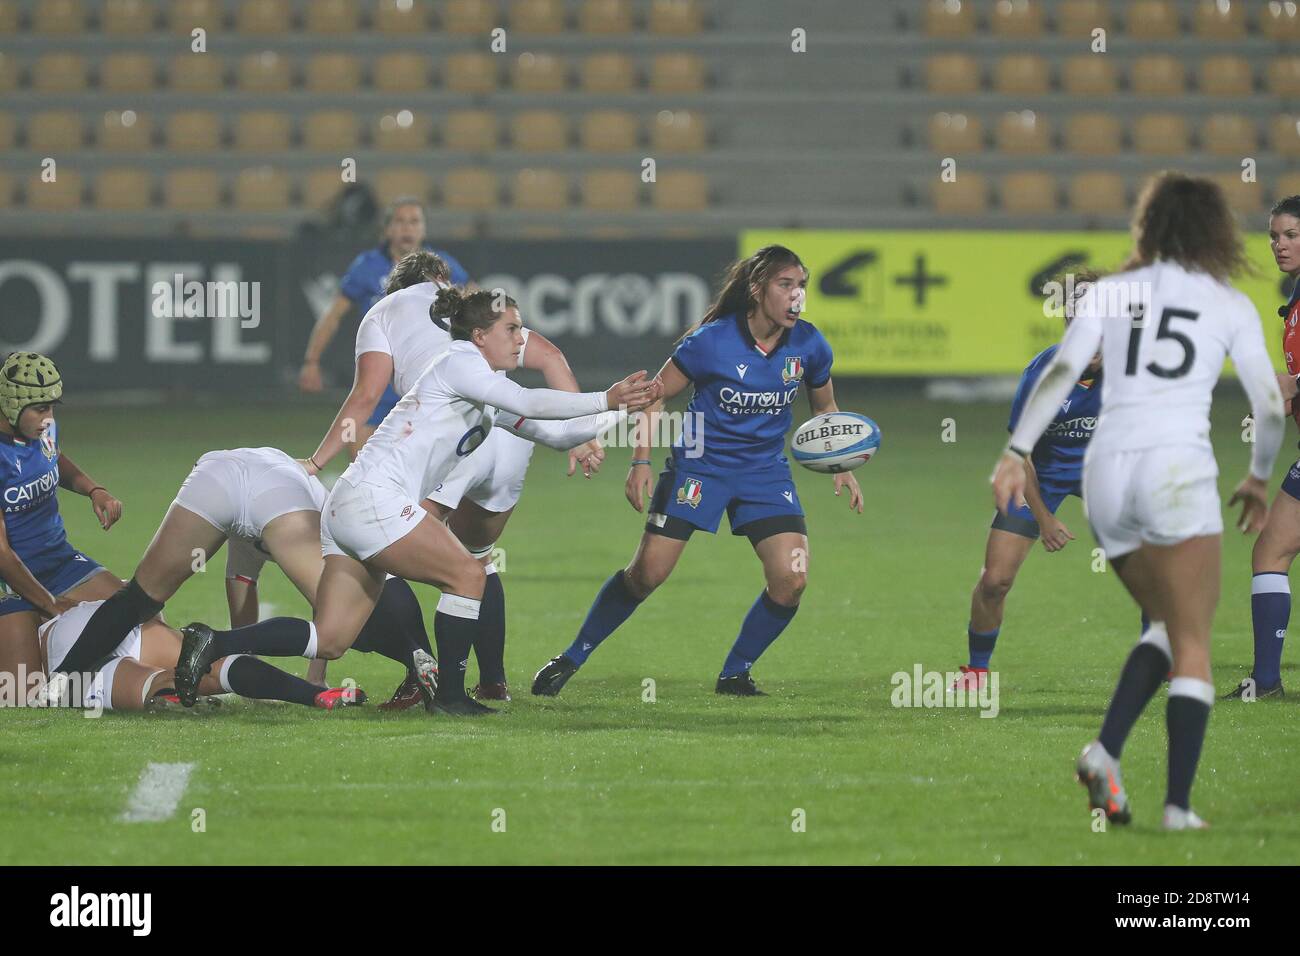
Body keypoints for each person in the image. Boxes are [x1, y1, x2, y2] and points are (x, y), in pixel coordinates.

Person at [172, 289, 658, 716]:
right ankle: (449, 695)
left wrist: (625, 409)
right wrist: (606, 397)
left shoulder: (482, 391)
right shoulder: (460, 362)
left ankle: (213, 641)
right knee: (469, 573)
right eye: (511, 328)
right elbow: (532, 403)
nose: (520, 338)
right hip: (374, 502)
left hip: (350, 507)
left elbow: (556, 434)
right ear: (479, 335)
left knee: (331, 638)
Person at [990, 172, 1285, 831]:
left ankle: (1104, 752)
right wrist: (1260, 476)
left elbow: (1063, 368)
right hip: (1176, 469)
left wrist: (1016, 451)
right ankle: (1178, 808)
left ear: (1147, 227)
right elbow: (1268, 404)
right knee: (1195, 642)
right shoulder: (1228, 303)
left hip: (1105, 478)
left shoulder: (1113, 291)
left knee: (1160, 622)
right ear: (1214, 229)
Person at [531, 244, 863, 699]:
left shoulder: (810, 344)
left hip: (765, 474)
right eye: (786, 285)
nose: (796, 296)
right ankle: (573, 656)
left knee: (792, 579)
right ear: (757, 288)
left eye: (801, 286)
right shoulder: (711, 341)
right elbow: (652, 394)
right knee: (646, 575)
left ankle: (735, 674)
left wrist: (841, 461)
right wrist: (641, 460)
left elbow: (824, 408)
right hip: (699, 470)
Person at [303, 250, 604, 705]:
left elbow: (365, 396)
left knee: (392, 585)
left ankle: (419, 667)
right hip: (487, 440)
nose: (519, 338)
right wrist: (608, 408)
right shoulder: (469, 341)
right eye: (513, 330)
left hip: (448, 445)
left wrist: (316, 462)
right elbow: (549, 364)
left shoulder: (394, 316)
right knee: (472, 561)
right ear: (446, 280)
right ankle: (488, 681)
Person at [47, 446, 438, 705]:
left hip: (214, 473)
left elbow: (241, 588)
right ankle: (419, 663)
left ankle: (62, 681)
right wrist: (315, 676)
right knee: (351, 622)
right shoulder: (322, 507)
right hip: (280, 494)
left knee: (138, 599)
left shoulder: (250, 528)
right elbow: (329, 617)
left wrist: (233, 650)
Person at [952, 272, 1104, 691]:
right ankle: (977, 673)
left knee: (1154, 567)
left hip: (1110, 473)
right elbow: (1022, 455)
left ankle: (1165, 660)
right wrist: (1044, 518)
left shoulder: (1134, 373)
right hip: (1044, 475)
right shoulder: (1042, 373)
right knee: (995, 579)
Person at [297, 198, 472, 456]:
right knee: (357, 451)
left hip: (425, 374)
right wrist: (312, 360)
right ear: (387, 229)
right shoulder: (367, 266)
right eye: (400, 221)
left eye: (414, 222)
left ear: (423, 229)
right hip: (379, 374)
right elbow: (333, 315)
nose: (407, 228)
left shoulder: (442, 266)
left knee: (431, 459)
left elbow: (475, 307)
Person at [0, 352, 128, 699]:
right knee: (20, 695)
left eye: (52, 407)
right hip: (9, 583)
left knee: (137, 615)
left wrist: (93, 490)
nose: (49, 418)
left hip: (60, 563)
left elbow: (54, 458)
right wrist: (50, 605)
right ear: (12, 406)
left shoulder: (43, 431)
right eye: (40, 408)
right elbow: (3, 555)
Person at [1223, 195, 1300, 700]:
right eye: (1274, 236)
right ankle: (1266, 680)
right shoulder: (1294, 302)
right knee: (1270, 551)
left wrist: (1291, 382)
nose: (1280, 244)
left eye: (1291, 235)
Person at [39, 599, 361, 712]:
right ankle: (315, 695)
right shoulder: (65, 608)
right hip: (99, 622)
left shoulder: (35, 635)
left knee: (155, 684)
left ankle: (171, 693)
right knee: (206, 666)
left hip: (64, 656)